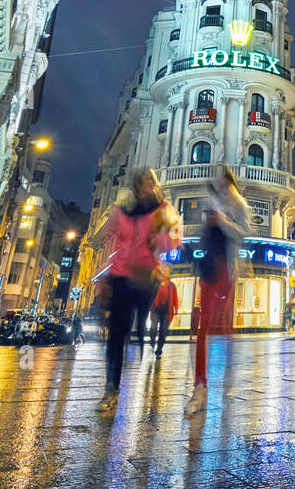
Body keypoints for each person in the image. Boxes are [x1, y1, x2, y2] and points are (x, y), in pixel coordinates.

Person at [97, 168, 180, 413]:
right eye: (146, 183)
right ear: (136, 186)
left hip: (146, 277)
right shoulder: (123, 212)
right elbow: (105, 234)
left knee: (135, 328)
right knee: (116, 334)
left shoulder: (162, 210)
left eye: (153, 183)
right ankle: (111, 387)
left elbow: (174, 238)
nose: (151, 187)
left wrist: (162, 238)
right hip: (121, 275)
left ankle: (140, 351)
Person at [185, 168, 249, 416]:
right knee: (204, 328)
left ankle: (229, 377)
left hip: (227, 269)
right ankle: (200, 385)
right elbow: (205, 236)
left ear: (229, 180)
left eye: (222, 181)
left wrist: (223, 221)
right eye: (217, 182)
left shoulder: (239, 204)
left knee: (227, 329)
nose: (219, 185)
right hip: (209, 268)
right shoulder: (211, 202)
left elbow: (243, 233)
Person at [149, 276, 178, 357]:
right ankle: (152, 342)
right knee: (153, 328)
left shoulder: (172, 285)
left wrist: (176, 308)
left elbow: (175, 297)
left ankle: (158, 350)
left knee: (164, 331)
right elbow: (151, 296)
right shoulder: (155, 284)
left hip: (167, 311)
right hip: (156, 310)